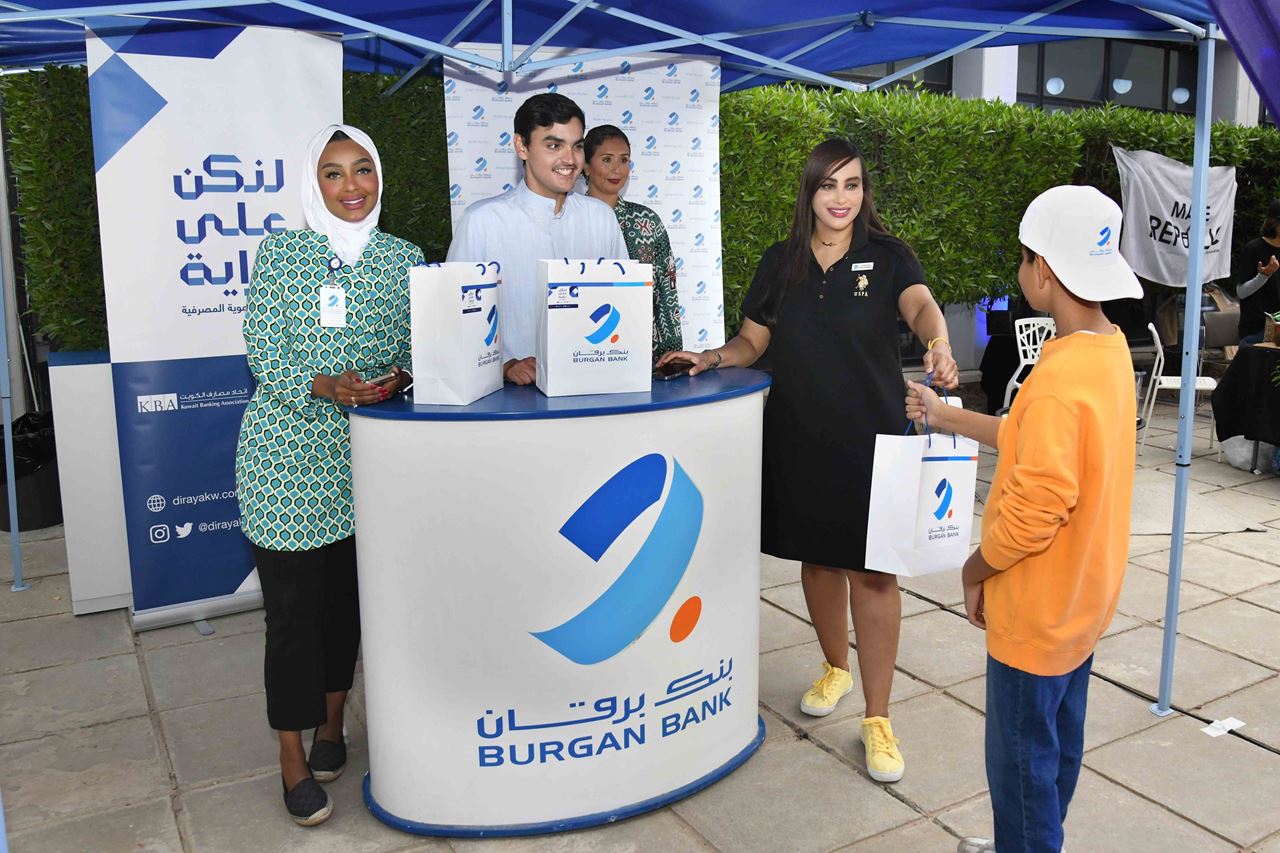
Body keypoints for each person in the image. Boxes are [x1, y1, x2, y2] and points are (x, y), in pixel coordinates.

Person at [658, 137, 957, 784]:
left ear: (863, 192)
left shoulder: (888, 255)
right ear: (810, 192)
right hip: (799, 436)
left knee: (874, 575)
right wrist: (710, 357)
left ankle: (877, 717)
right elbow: (752, 341)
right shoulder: (781, 262)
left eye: (852, 184)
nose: (841, 197)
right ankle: (835, 667)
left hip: (875, 438)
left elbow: (920, 304)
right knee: (818, 559)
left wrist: (937, 339)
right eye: (829, 185)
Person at [906, 186, 1140, 853]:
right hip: (1082, 602)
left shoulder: (1060, 379)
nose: (1019, 271)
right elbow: (1030, 436)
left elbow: (1032, 516)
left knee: (1019, 770)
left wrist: (974, 568)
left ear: (1043, 270)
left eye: (1022, 257)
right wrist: (945, 414)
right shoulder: (1107, 350)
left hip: (1036, 614)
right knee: (1055, 752)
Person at [236, 124, 422, 827]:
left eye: (363, 170)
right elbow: (263, 350)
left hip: (370, 465)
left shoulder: (405, 256)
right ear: (313, 185)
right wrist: (322, 384)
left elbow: (414, 346)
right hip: (285, 461)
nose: (352, 187)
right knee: (292, 621)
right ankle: (290, 757)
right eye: (334, 173)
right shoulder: (283, 252)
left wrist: (400, 374)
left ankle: (331, 728)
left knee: (346, 609)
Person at [447, 93, 628, 384]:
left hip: (593, 388)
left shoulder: (601, 218)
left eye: (577, 146)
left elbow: (624, 305)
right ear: (522, 146)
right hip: (511, 402)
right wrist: (504, 366)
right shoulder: (482, 221)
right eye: (554, 145)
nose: (569, 160)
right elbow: (455, 319)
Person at [582, 124, 683, 360]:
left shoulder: (647, 221)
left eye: (624, 160)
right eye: (606, 160)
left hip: (643, 352)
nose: (616, 169)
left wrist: (673, 355)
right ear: (586, 166)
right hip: (583, 349)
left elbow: (667, 295)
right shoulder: (569, 220)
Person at [1235, 199, 1280, 346]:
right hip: (1256, 330)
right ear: (1274, 223)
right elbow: (1241, 292)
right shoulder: (1254, 249)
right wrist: (1263, 276)